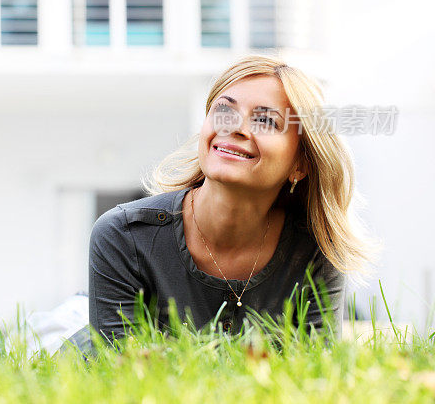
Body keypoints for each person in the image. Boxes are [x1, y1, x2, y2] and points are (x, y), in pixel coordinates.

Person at [70, 54, 380, 352]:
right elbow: (122, 376)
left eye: (266, 121)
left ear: (300, 164)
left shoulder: (315, 251)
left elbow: (318, 375)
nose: (234, 127)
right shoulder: (124, 235)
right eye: (224, 110)